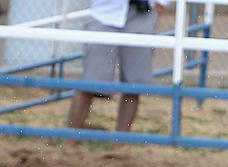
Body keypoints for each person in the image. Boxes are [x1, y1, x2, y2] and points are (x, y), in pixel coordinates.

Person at [67, 0, 168, 138]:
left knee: (134, 85)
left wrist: (161, 3)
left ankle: (120, 146)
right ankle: (70, 141)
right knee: (90, 82)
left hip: (143, 12)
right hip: (105, 13)